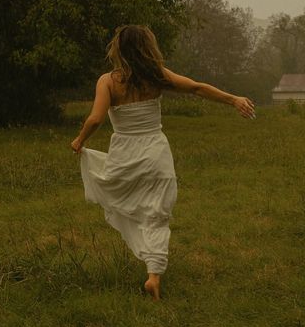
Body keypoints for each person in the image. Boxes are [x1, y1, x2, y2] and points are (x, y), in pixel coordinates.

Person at [70, 24, 255, 300]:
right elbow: (196, 88)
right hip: (155, 153)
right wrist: (233, 100)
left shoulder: (108, 81)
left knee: (130, 207)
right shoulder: (156, 77)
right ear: (147, 48)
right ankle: (153, 276)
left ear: (118, 49)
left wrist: (80, 140)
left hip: (124, 154)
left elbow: (96, 118)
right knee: (157, 213)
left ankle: (152, 271)